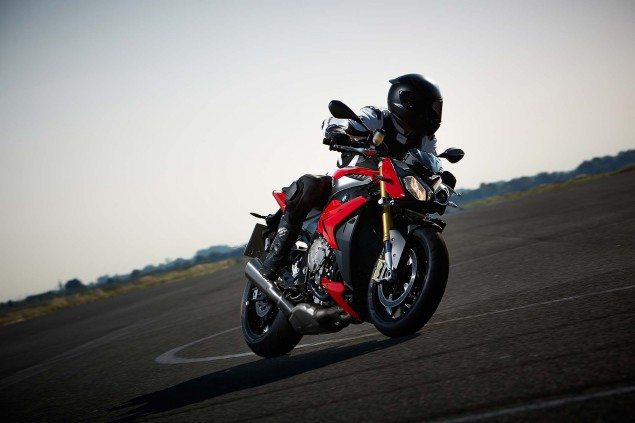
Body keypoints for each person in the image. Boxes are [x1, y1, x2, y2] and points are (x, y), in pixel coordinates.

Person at [260, 73, 444, 280]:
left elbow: (431, 161)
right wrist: (338, 130)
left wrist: (441, 175)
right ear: (408, 103)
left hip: (388, 189)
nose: (433, 113)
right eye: (429, 107)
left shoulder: (425, 139)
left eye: (436, 107)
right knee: (310, 184)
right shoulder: (378, 116)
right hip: (349, 181)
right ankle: (275, 258)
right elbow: (339, 122)